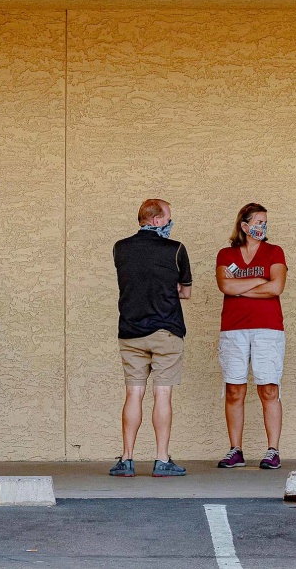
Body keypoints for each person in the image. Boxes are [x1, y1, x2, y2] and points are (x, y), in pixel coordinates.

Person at [109, 198, 192, 478]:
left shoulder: (120, 248)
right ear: (157, 220)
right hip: (166, 331)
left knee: (134, 392)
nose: (170, 222)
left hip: (130, 332)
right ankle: (161, 459)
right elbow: (185, 291)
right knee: (162, 393)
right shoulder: (176, 249)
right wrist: (168, 290)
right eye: (168, 218)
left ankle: (127, 459)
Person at [215, 203, 288, 470]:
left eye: (265, 221)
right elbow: (224, 285)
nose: (263, 227)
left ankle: (273, 450)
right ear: (244, 226)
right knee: (234, 389)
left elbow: (277, 286)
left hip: (267, 329)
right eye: (258, 221)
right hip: (233, 329)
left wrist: (240, 289)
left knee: (268, 387)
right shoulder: (226, 254)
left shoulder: (274, 251)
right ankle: (236, 449)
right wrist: (260, 282)